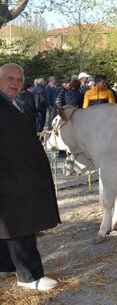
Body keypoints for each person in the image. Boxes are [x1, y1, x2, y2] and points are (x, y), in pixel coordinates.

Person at [0, 63, 60, 291]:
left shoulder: (17, 104)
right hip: (7, 175)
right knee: (20, 222)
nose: (15, 82)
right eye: (9, 78)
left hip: (20, 174)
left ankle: (5, 264)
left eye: (18, 79)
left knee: (7, 223)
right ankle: (30, 276)